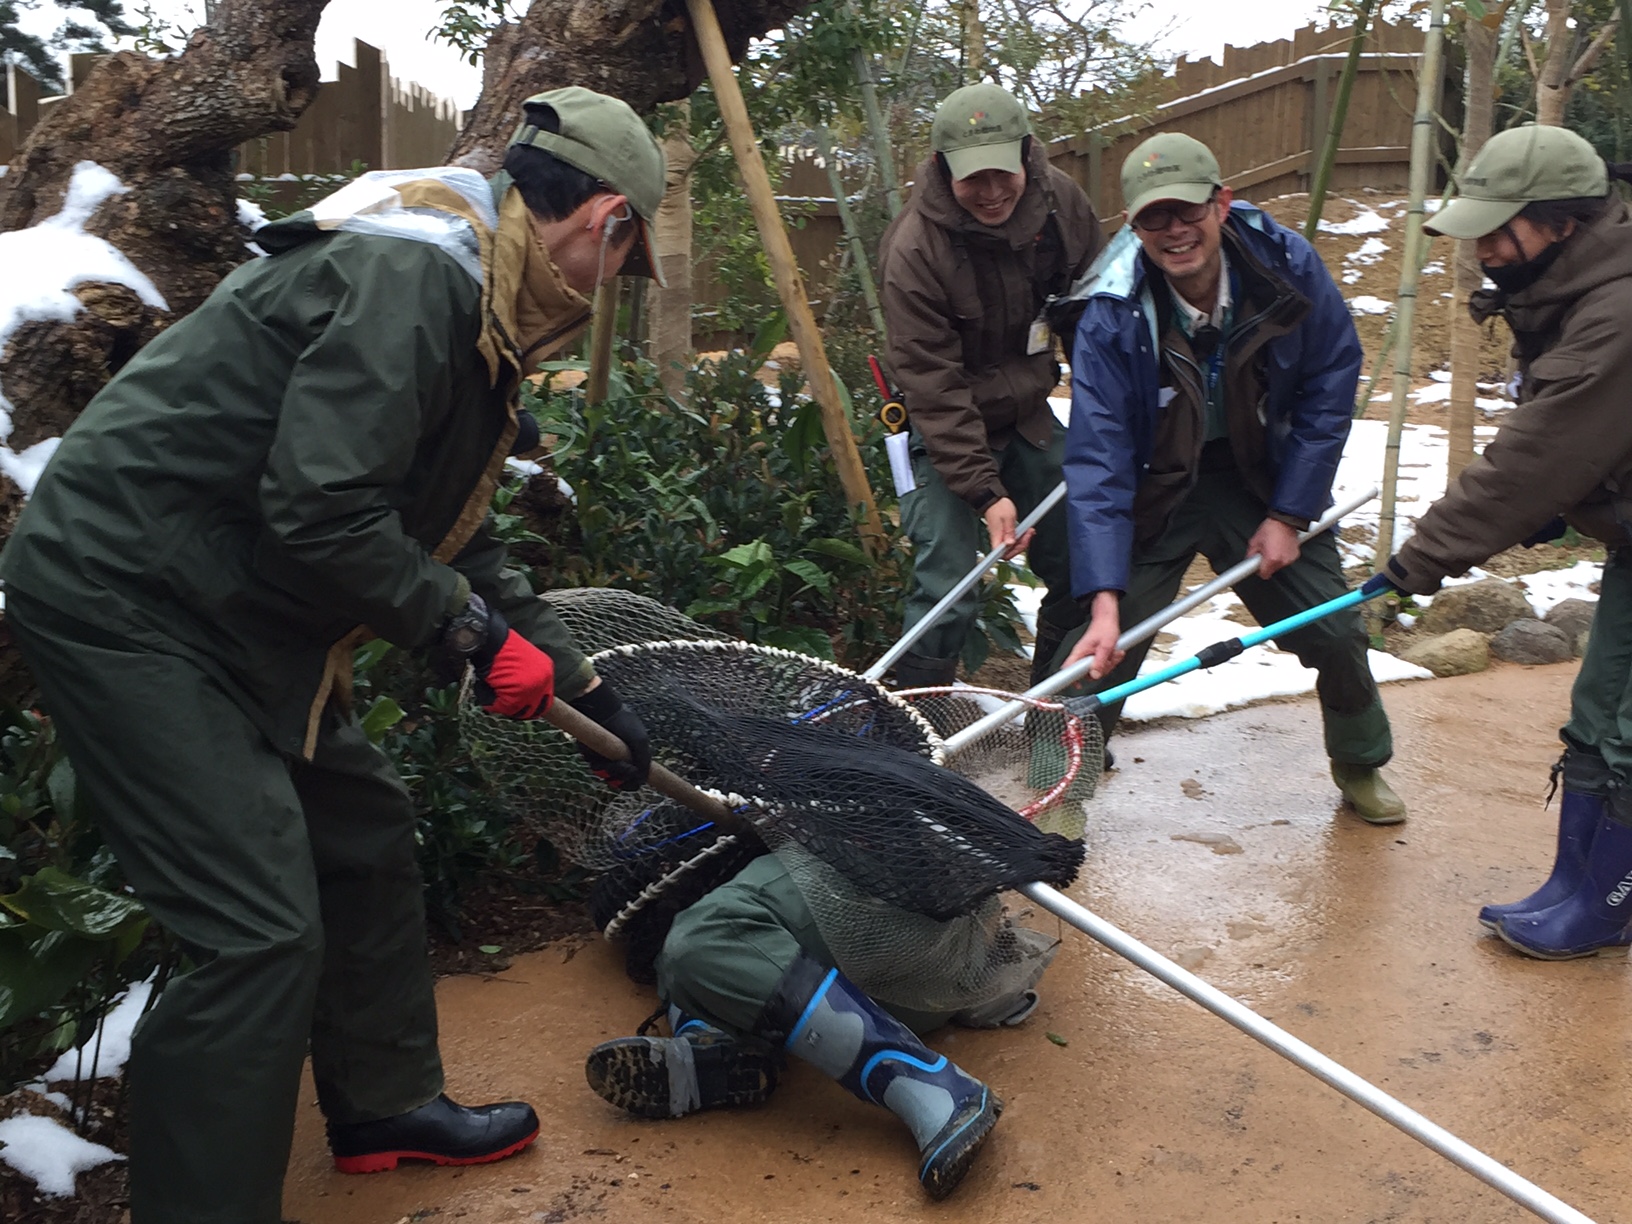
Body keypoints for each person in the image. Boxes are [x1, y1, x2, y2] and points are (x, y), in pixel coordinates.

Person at [0, 87, 663, 1223]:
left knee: (359, 829)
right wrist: (464, 636)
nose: (611, 290)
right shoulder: (418, 280)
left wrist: (584, 679)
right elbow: (325, 512)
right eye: (625, 262)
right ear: (605, 221)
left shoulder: (475, 299)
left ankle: (385, 1106)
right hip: (133, 594)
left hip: (233, 598)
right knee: (256, 927)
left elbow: (455, 534)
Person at [1059, 132, 1406, 825]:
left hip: (1260, 478)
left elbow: (1331, 380)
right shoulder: (1110, 308)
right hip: (1160, 484)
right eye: (1154, 218)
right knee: (1098, 648)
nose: (1175, 231)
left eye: (1187, 210)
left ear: (1222, 203)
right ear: (1134, 226)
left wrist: (1289, 511)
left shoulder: (1285, 266)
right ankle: (1064, 786)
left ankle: (1360, 762)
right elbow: (1097, 455)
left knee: (1334, 631)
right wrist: (1102, 596)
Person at [1376, 124, 1632, 958]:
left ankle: (1610, 904)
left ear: (1561, 220)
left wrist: (1424, 555)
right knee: (1594, 713)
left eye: (1499, 226)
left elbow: (1540, 451)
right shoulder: (1563, 288)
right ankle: (1578, 885)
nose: (1484, 246)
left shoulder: (1617, 308)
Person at [581, 851, 1044, 1200]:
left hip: (919, 935)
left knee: (700, 941)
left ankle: (932, 1084)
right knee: (698, 962)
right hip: (918, 984)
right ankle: (725, 1052)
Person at [876, 83, 1102, 691]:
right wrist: (985, 492)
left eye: (1003, 172)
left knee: (1088, 553)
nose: (993, 191)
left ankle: (1055, 710)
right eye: (973, 178)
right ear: (941, 167)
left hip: (1027, 417)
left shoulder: (1063, 207)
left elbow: (1094, 321)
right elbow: (933, 383)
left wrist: (1110, 425)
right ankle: (914, 727)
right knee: (948, 577)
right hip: (941, 424)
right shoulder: (913, 250)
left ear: (1028, 154)